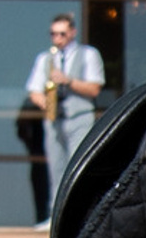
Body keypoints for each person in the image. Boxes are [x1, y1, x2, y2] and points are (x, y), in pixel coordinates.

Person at [26, 13, 105, 215]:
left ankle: (80, 215)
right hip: (54, 119)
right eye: (53, 34)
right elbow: (34, 90)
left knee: (79, 169)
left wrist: (68, 81)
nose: (57, 39)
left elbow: (95, 88)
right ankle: (56, 216)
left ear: (72, 32)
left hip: (80, 118)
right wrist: (42, 100)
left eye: (61, 34)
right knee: (56, 170)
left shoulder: (89, 54)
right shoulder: (45, 58)